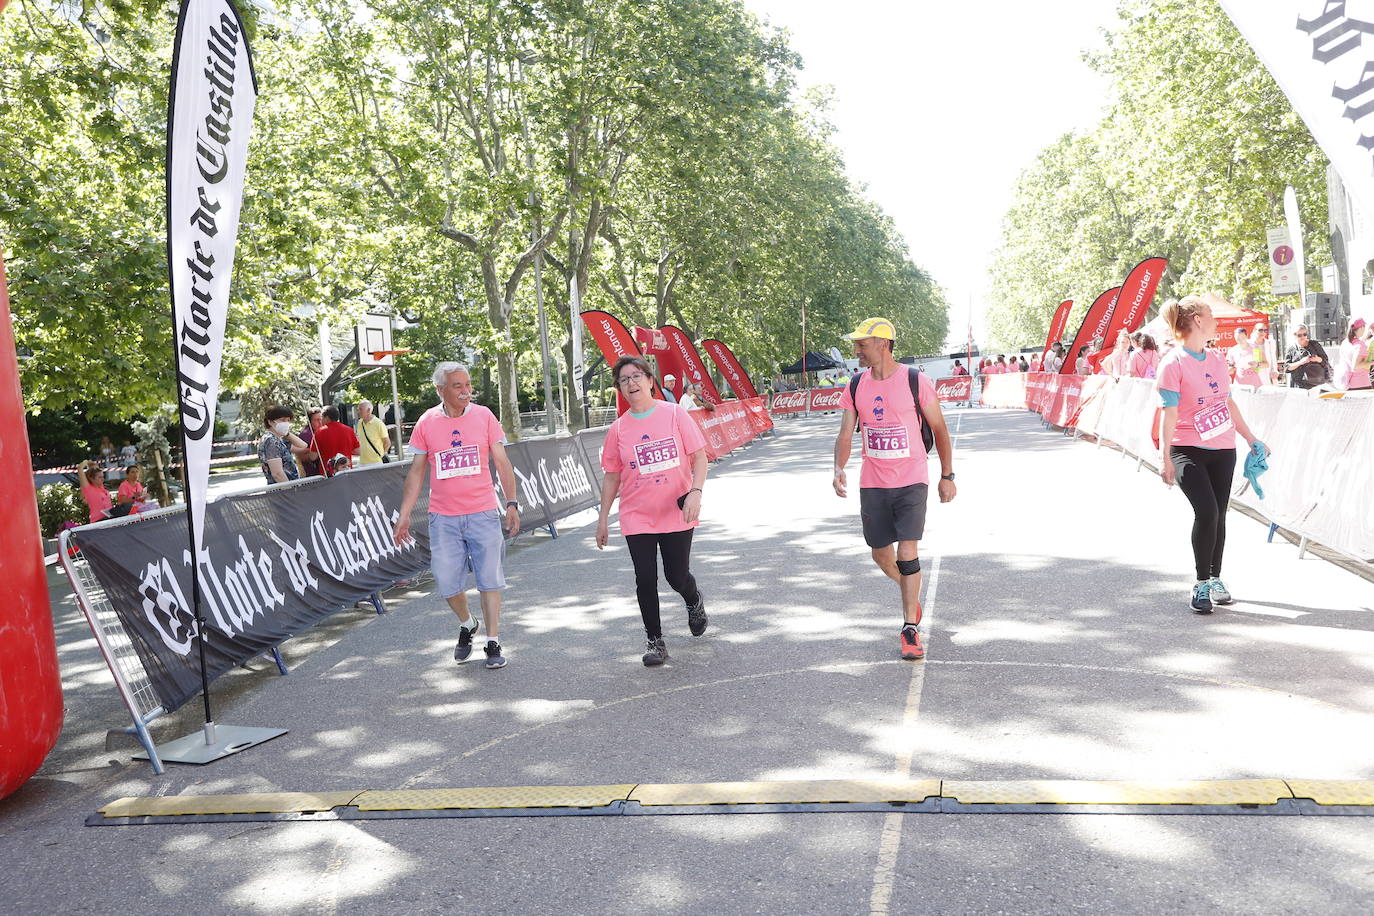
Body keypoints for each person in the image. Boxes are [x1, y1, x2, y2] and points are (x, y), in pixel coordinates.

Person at [833, 318, 956, 661]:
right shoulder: (855, 384)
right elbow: (845, 433)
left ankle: (909, 629)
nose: (856, 349)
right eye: (856, 343)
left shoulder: (916, 380)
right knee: (880, 554)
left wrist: (948, 475)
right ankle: (910, 594)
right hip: (873, 482)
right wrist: (838, 467)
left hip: (912, 478)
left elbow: (940, 429)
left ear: (883, 344)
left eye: (862, 343)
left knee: (907, 551)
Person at [394, 362, 521, 669]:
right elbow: (416, 473)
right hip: (444, 519)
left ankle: (493, 642)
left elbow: (502, 463)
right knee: (448, 583)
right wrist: (405, 514)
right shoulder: (427, 422)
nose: (466, 391)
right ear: (441, 390)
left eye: (468, 385)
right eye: (457, 386)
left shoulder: (484, 416)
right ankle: (467, 623)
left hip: (482, 513)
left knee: (490, 580)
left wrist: (512, 502)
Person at [1156, 296, 1267, 614]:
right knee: (1206, 513)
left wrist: (1251, 438)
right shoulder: (1172, 363)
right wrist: (1165, 458)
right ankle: (1201, 584)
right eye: (1211, 314)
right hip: (1186, 449)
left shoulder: (1218, 358)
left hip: (1223, 448)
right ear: (1197, 321)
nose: (1216, 320)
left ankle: (1216, 579)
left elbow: (1228, 403)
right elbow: (1169, 413)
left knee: (1219, 515)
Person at [595, 356, 709, 667]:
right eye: (623, 380)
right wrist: (603, 518)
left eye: (636, 376)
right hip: (636, 514)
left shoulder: (674, 414)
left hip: (676, 509)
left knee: (676, 576)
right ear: (619, 389)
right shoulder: (618, 430)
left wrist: (696, 493)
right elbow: (612, 476)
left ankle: (693, 599)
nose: (630, 383)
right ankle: (654, 640)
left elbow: (699, 457)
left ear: (649, 380)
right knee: (645, 578)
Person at [259, 406, 312, 484]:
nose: (286, 423)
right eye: (283, 420)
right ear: (270, 421)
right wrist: (290, 490)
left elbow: (303, 446)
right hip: (283, 491)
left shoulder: (279, 439)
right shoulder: (271, 440)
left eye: (288, 420)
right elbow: (277, 474)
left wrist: (287, 434)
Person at [313, 405, 361, 476]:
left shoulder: (319, 432)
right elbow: (358, 451)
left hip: (327, 473)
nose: (321, 420)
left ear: (327, 417)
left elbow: (313, 456)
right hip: (346, 471)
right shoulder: (349, 430)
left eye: (321, 418)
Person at [1283, 325, 1331, 390]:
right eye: (1299, 335)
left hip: (1316, 384)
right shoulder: (1292, 349)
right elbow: (1287, 368)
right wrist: (1300, 362)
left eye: (1304, 334)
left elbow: (1325, 361)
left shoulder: (1314, 344)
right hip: (1299, 385)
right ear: (1294, 335)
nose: (1303, 337)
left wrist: (1317, 359)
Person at [1333, 317, 1373, 391]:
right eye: (1364, 327)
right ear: (1361, 328)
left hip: (1348, 384)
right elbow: (1356, 366)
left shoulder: (1345, 343)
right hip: (1362, 384)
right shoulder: (1360, 345)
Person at [354, 399, 391, 465]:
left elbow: (387, 443)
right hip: (362, 462)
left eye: (360, 409)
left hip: (376, 462)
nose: (358, 412)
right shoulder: (360, 423)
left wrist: (381, 455)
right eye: (358, 409)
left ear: (368, 410)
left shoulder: (378, 423)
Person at [296, 407, 325, 477]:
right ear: (310, 421)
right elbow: (301, 456)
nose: (320, 422)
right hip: (312, 474)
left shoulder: (323, 431)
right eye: (316, 420)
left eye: (321, 419)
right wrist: (315, 453)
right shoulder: (305, 435)